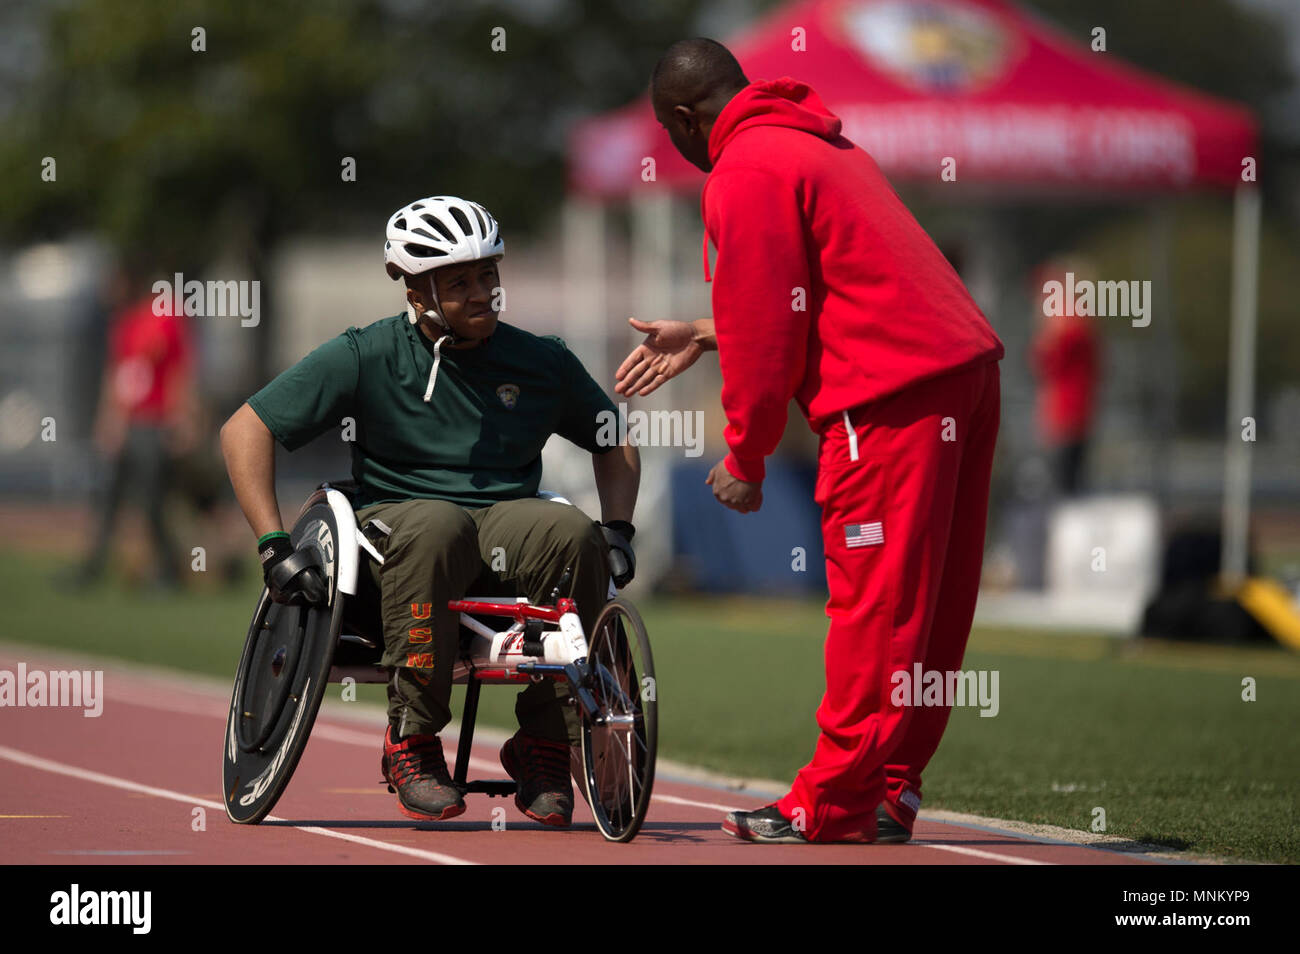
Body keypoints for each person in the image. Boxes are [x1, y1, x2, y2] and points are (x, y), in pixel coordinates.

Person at [617, 39, 1003, 843]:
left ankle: (829, 802)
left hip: (887, 398)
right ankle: (890, 788)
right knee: (930, 605)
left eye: (671, 131)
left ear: (687, 119)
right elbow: (821, 293)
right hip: (958, 374)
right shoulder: (812, 141)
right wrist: (701, 329)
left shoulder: (744, 171)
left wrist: (746, 455)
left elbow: (770, 333)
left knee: (874, 603)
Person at [220, 196, 640, 827]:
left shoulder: (542, 361)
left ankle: (546, 745)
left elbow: (613, 437)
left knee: (570, 532)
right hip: (394, 528)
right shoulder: (365, 355)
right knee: (439, 526)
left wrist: (618, 530)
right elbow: (244, 429)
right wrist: (274, 545)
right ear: (415, 289)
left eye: (489, 276)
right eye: (461, 282)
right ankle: (411, 742)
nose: (483, 294)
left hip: (505, 525)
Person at [74, 257, 198, 589]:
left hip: (155, 422)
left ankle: (168, 572)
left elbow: (179, 370)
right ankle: (92, 567)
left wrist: (182, 418)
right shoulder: (122, 323)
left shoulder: (166, 314)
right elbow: (116, 374)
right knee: (108, 498)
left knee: (152, 500)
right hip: (127, 424)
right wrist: (108, 421)